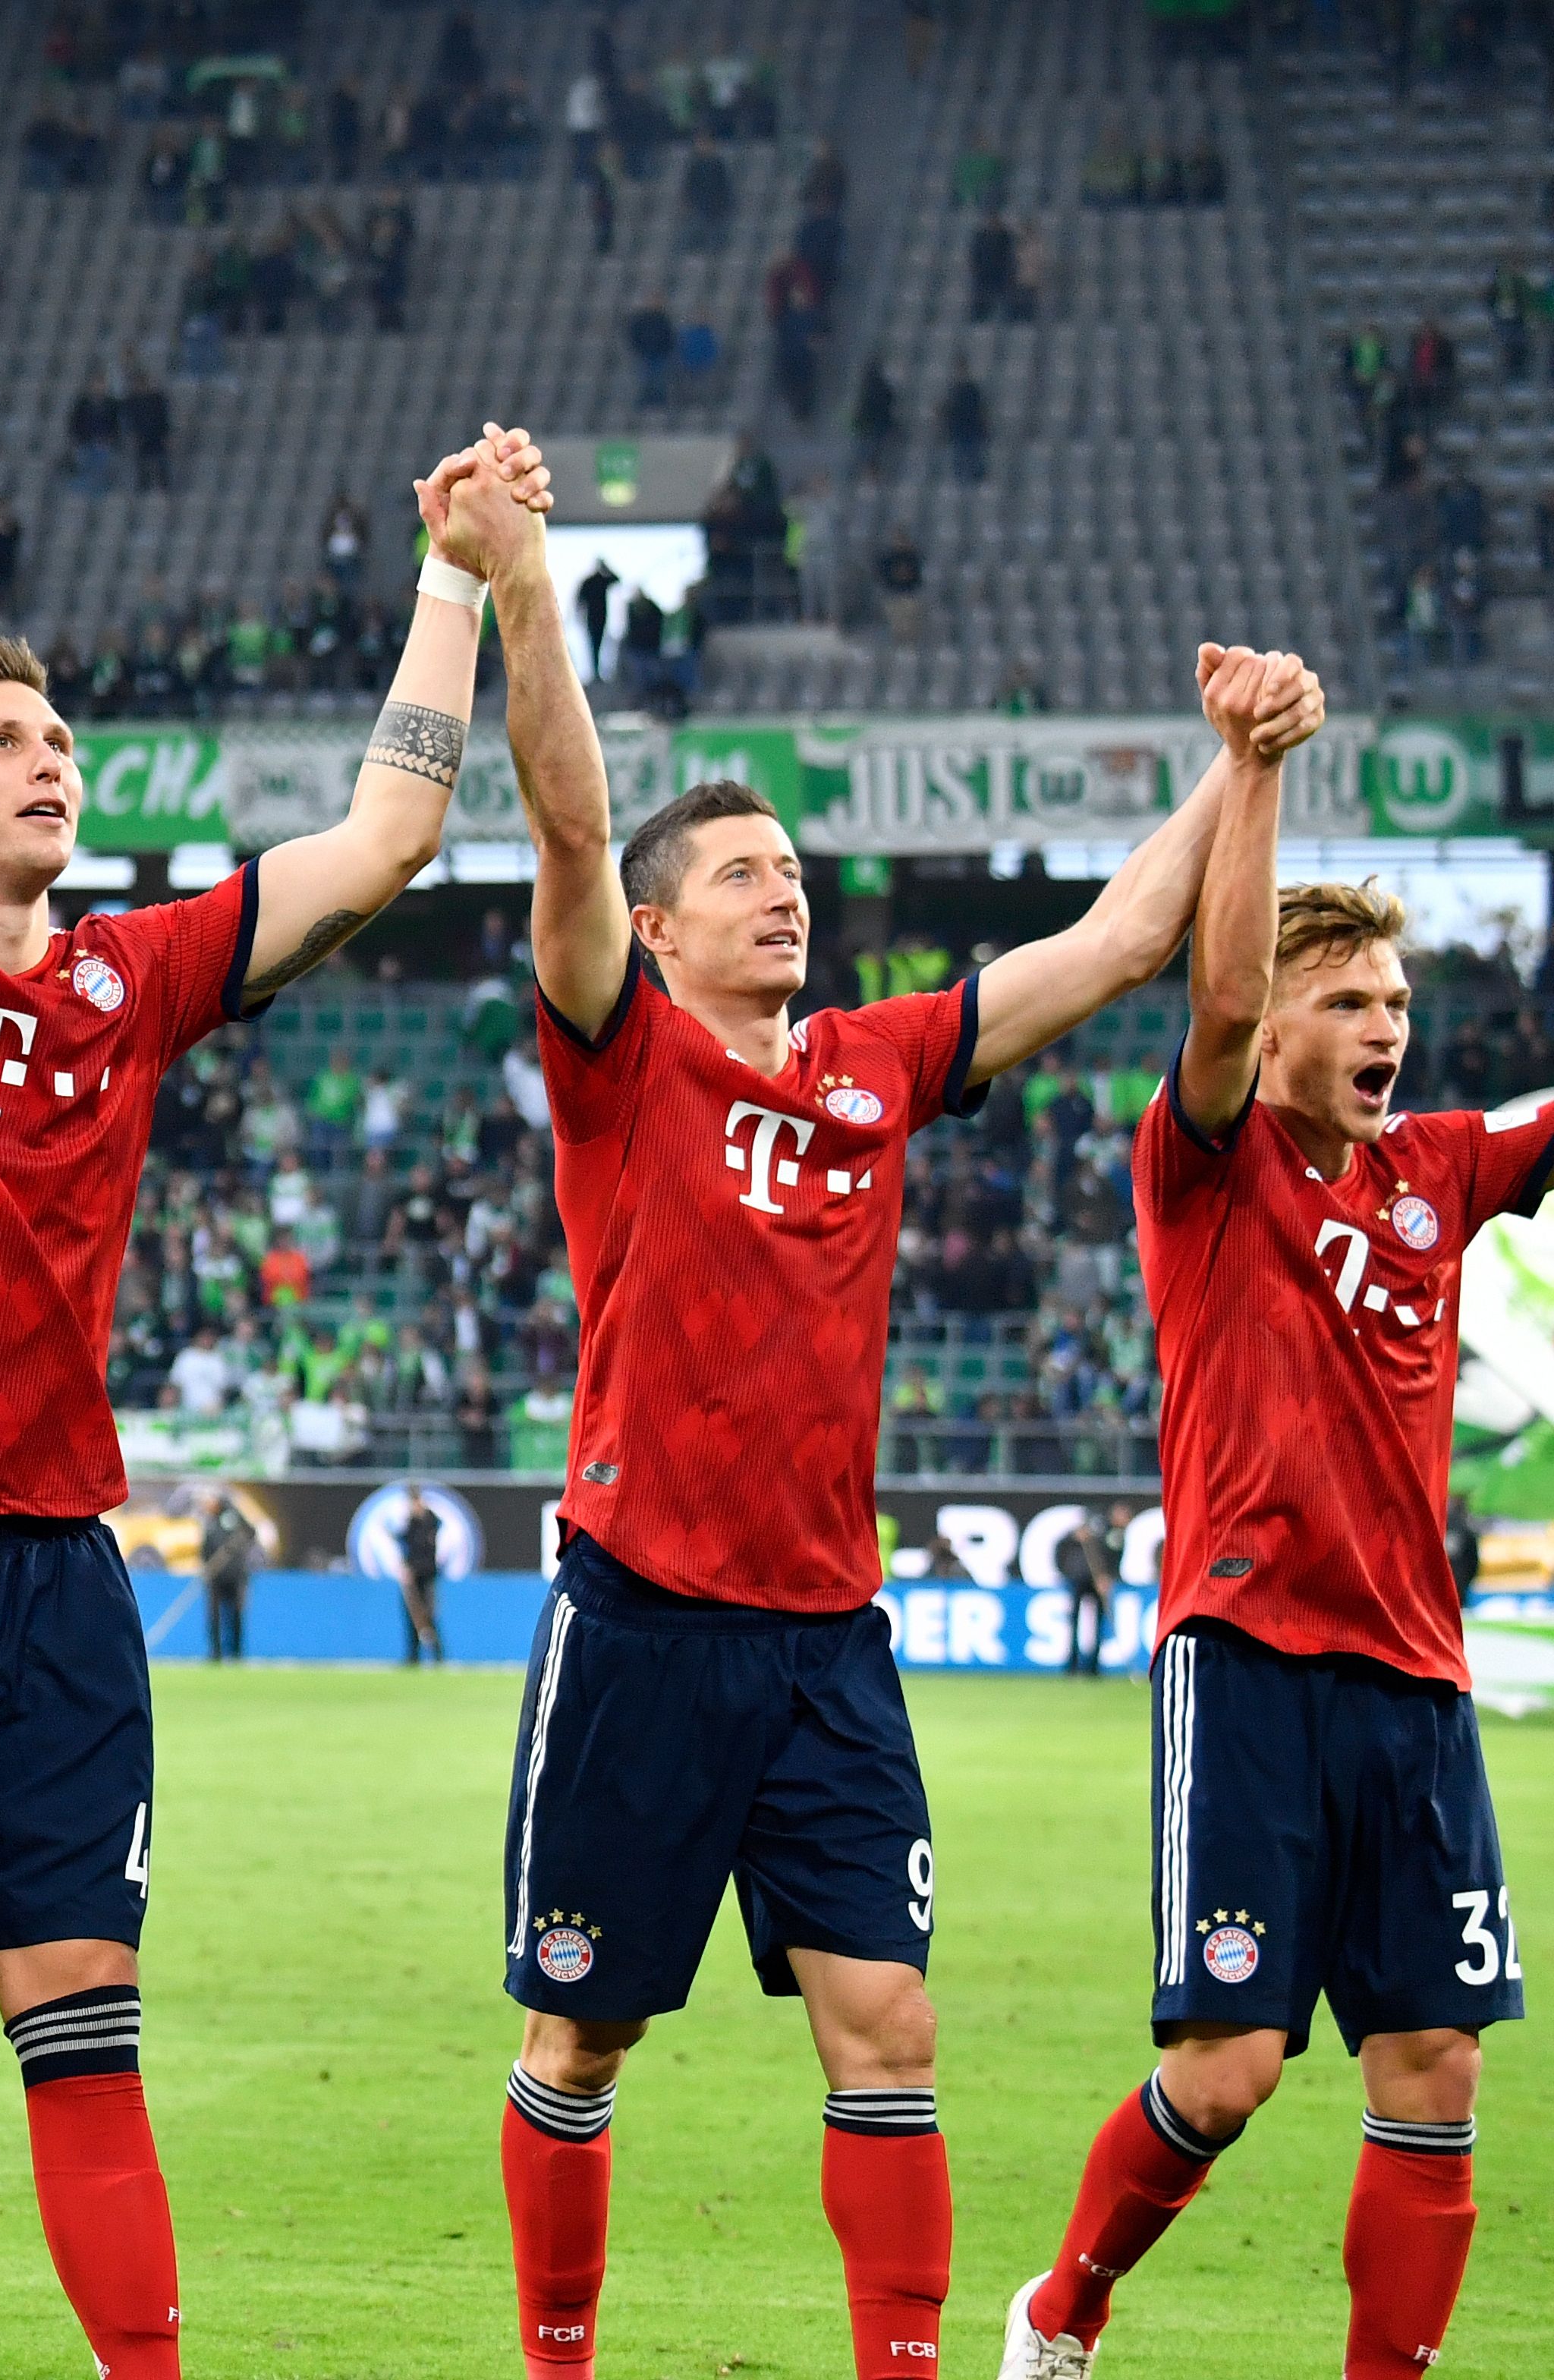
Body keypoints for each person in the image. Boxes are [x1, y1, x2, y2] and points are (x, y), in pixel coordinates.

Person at [0, 249, 543, 2370]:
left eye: (61, 736)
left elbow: (392, 834)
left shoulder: (130, 980)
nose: (49, 760)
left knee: (83, 2026)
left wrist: (455, 577)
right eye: (5, 738)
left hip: (51, 1579)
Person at [483, 457, 1323, 2380]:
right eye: (741, 877)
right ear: (659, 931)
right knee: (579, 2041)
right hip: (637, 1623)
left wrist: (1236, 755)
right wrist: (525, 585)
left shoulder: (875, 1069)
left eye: (792, 871)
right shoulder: (622, 1064)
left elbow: (1115, 947)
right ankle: (553, 2360)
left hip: (824, 1649)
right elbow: (560, 817)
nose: (781, 893)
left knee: (890, 2033)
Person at [998, 671, 1525, 2380]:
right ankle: (1064, 2308)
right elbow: (1214, 988)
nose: (1385, 1026)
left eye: (1396, 998)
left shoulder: (1440, 1168)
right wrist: (1257, 770)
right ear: (1281, 1026)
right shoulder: (1206, 1158)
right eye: (1349, 998)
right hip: (1246, 1663)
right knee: (1228, 2070)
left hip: (1417, 1685)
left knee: (1434, 2069)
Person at [1062, 1503, 1126, 1678]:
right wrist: (1077, 1536)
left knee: (1098, 1623)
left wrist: (1108, 1578)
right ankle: (1072, 1666)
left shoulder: (1118, 1536)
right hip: (1081, 1578)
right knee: (1075, 1622)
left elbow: (1115, 1560)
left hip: (1099, 1581)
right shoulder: (1097, 1527)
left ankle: (1093, 1667)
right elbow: (1068, 1543)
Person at [200, 1497, 259, 1664]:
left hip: (236, 1577)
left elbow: (251, 1532)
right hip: (216, 1578)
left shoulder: (236, 1521)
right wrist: (208, 1568)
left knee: (236, 1616)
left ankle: (236, 1653)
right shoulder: (211, 1525)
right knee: (215, 1617)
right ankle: (216, 1652)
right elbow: (205, 1550)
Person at [397, 1488, 448, 1667]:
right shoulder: (411, 1524)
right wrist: (406, 1569)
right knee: (411, 1617)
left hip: (427, 1576)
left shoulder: (431, 1522)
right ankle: (413, 1656)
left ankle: (438, 1656)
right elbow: (406, 1549)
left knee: (429, 1615)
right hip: (413, 1577)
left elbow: (428, 1553)